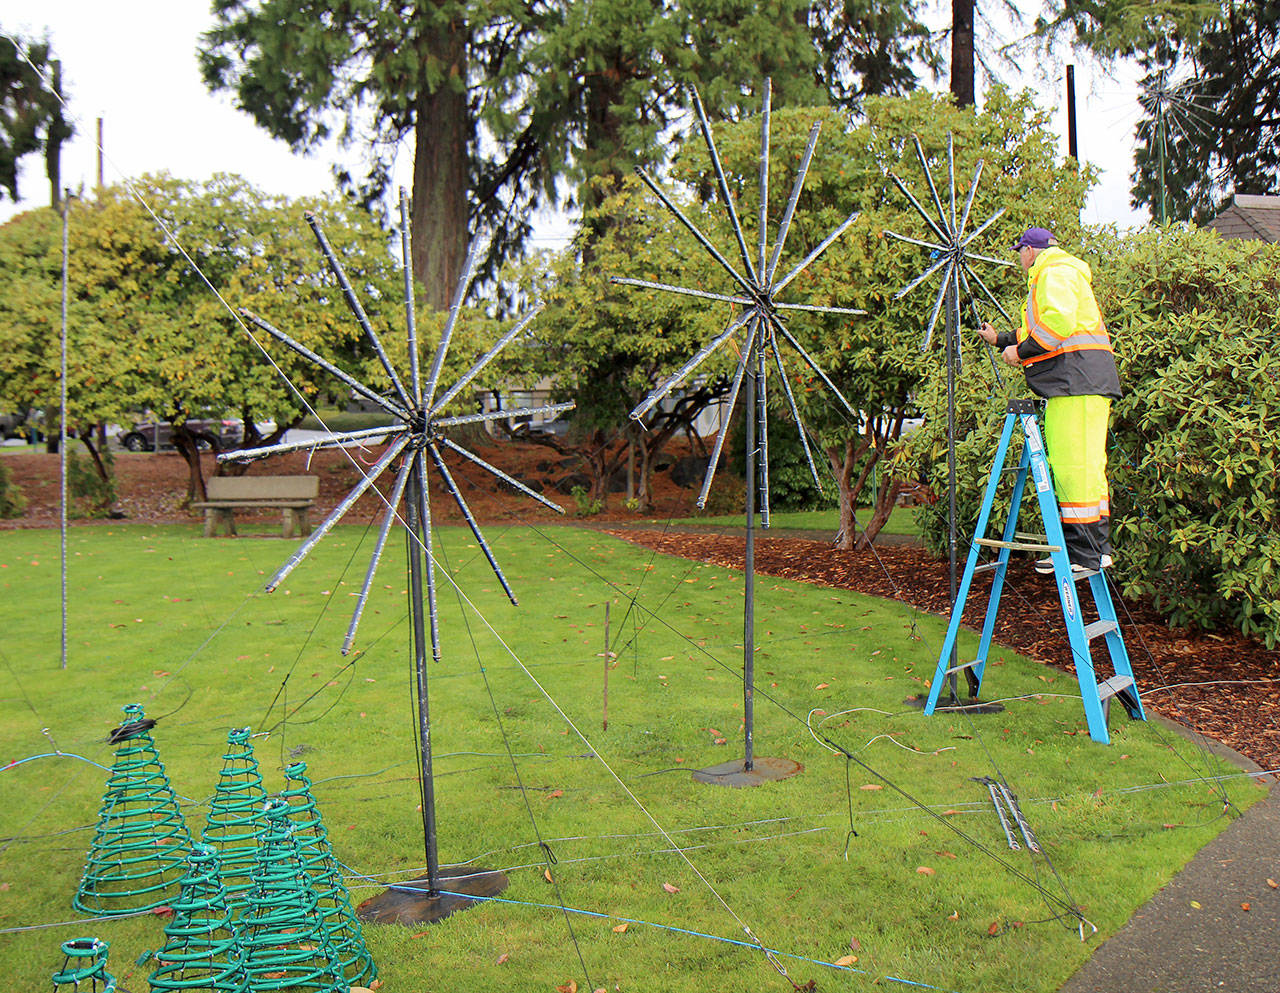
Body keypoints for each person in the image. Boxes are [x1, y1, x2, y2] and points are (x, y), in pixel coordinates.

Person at [976, 226, 1121, 574]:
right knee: (1088, 465)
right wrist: (1001, 340)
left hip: (1074, 383)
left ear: (1029, 250)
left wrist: (1020, 353)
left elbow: (1055, 325)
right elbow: (1043, 330)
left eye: (1019, 251)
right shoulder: (1064, 271)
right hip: (1086, 382)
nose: (1019, 259)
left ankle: (1080, 556)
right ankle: (1097, 551)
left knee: (1072, 467)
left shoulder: (1052, 273)